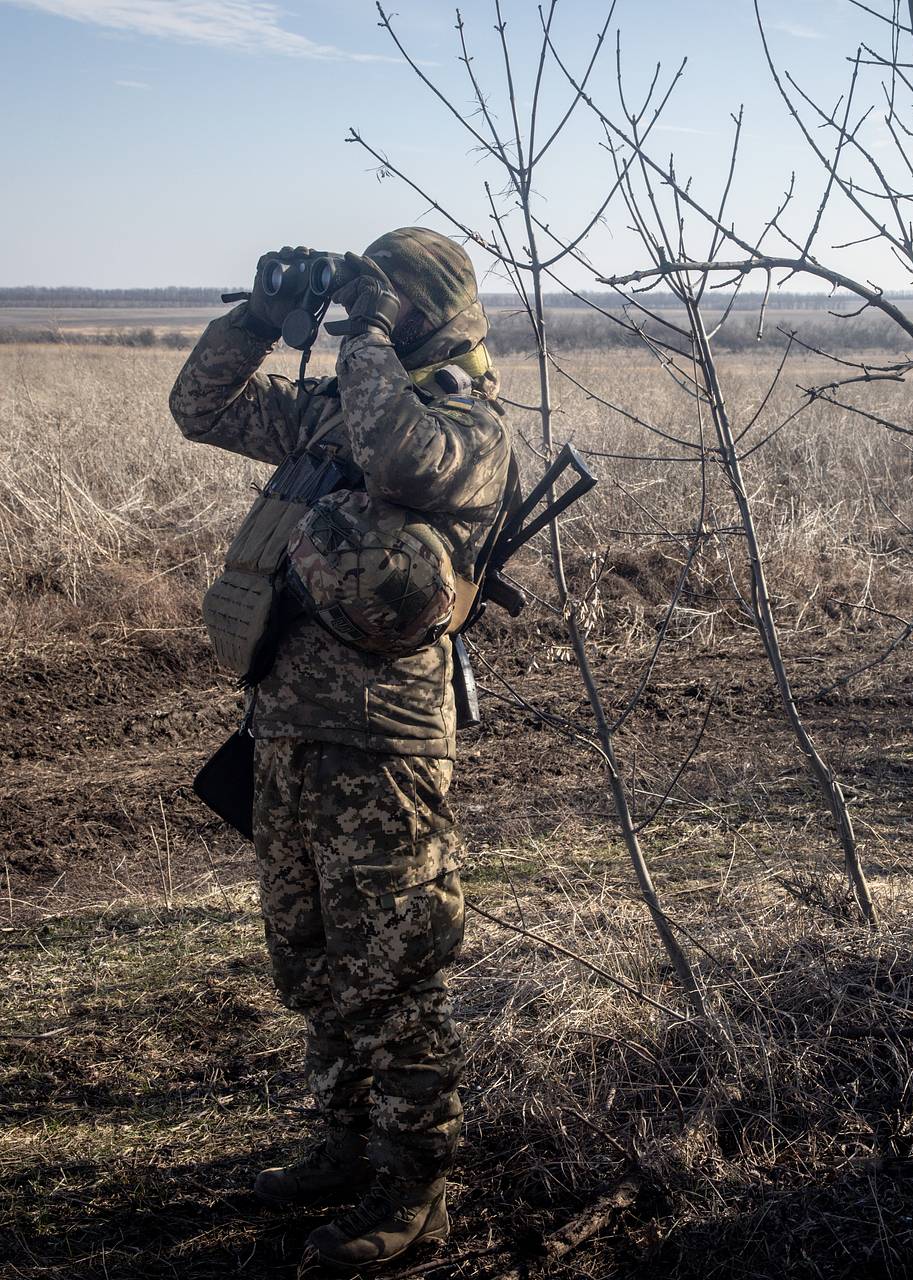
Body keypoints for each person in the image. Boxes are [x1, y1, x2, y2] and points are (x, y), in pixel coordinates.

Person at [170, 229, 516, 1269]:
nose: (368, 311)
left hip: (383, 745)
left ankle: (414, 1193)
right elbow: (205, 409)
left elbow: (402, 455)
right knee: (310, 958)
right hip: (283, 727)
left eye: (389, 296)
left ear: (430, 307)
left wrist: (362, 332)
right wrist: (262, 319)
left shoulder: (467, 421)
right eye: (365, 299)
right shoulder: (332, 411)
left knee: (392, 968)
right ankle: (342, 1143)